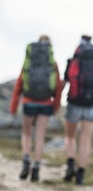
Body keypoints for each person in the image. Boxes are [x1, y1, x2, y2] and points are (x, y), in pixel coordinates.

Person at [10, 35, 63, 182]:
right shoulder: (53, 63)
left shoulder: (30, 60)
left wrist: (14, 106)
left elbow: (19, 83)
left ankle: (26, 159)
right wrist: (56, 105)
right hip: (45, 103)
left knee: (26, 134)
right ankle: (37, 167)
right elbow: (58, 87)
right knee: (40, 136)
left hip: (29, 102)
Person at [62, 34, 93, 185]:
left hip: (74, 102)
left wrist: (56, 99)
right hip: (92, 105)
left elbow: (65, 81)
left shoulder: (73, 62)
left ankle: (70, 165)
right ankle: (80, 174)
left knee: (70, 137)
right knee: (85, 139)